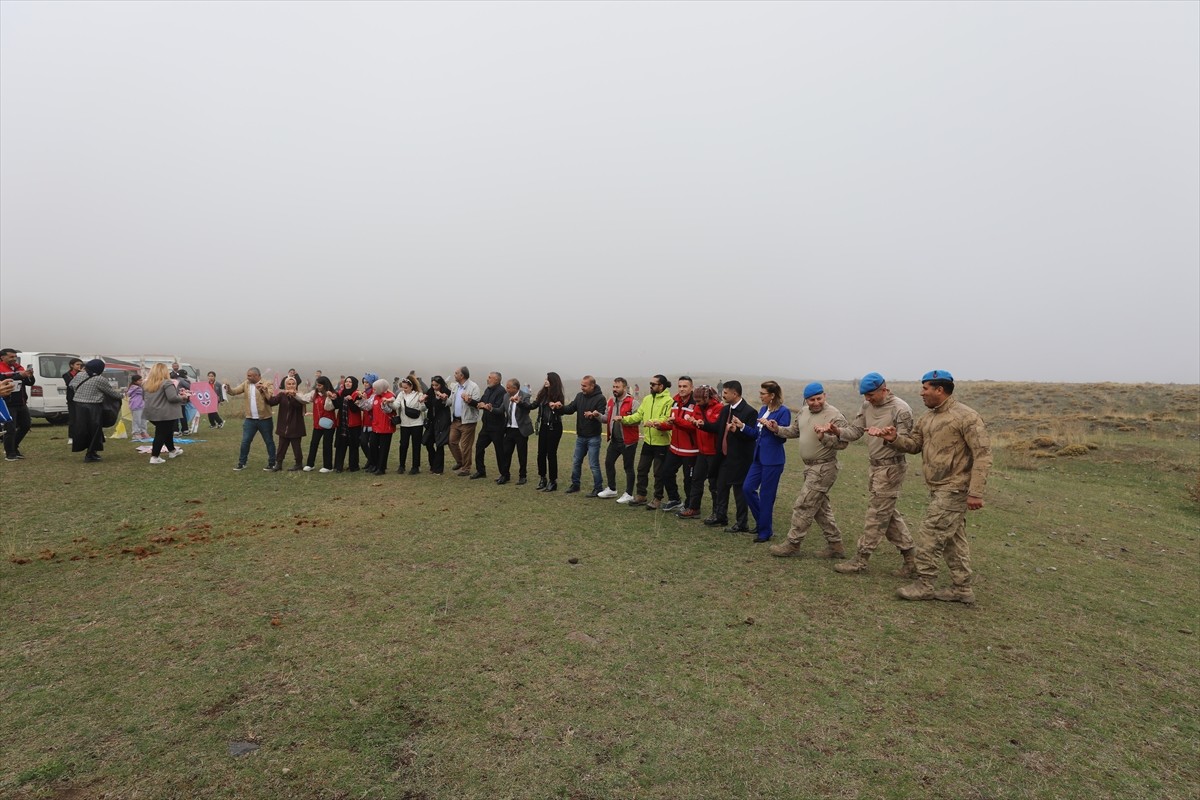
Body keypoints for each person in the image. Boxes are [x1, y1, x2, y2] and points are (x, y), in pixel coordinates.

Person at [869, 369, 992, 605]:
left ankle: (925, 584)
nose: (921, 393)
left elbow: (983, 456)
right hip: (937, 487)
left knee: (930, 533)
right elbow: (914, 445)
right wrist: (893, 438)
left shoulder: (967, 417)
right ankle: (962, 588)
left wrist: (976, 492)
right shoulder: (928, 418)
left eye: (925, 388)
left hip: (955, 487)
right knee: (953, 539)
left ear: (940, 389)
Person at [827, 373, 918, 577]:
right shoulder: (867, 406)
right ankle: (912, 560)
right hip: (875, 468)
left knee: (876, 515)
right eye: (865, 395)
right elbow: (856, 431)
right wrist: (838, 432)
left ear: (884, 390)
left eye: (871, 395)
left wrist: (892, 438)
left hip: (891, 469)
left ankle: (861, 559)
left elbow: (909, 444)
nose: (867, 399)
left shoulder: (901, 409)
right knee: (887, 514)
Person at [768, 382, 850, 559]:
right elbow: (795, 431)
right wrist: (777, 429)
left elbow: (843, 443)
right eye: (811, 399)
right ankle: (836, 546)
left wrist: (824, 438)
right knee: (819, 508)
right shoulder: (803, 411)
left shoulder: (834, 415)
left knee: (804, 504)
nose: (815, 402)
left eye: (819, 398)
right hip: (809, 466)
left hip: (824, 467)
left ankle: (792, 544)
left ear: (824, 396)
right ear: (806, 400)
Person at [703, 380, 760, 532]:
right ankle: (721, 516)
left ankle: (742, 523)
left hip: (740, 459)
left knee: (739, 491)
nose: (723, 395)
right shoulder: (725, 410)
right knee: (721, 487)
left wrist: (738, 430)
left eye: (726, 392)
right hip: (724, 457)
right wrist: (702, 424)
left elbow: (752, 436)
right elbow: (718, 428)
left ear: (735, 394)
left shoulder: (749, 412)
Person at [742, 381, 791, 543]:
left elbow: (783, 435)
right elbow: (756, 433)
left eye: (763, 393)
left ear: (772, 396)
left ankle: (764, 531)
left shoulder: (783, 412)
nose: (760, 396)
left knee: (766, 495)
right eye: (760, 393)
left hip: (773, 459)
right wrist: (741, 426)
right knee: (747, 488)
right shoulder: (763, 410)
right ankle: (763, 523)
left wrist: (772, 427)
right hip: (758, 457)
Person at [620, 374, 673, 506]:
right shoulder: (648, 399)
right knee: (642, 469)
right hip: (648, 441)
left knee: (658, 473)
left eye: (653, 384)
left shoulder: (669, 401)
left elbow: (666, 418)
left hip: (661, 442)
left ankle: (657, 498)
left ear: (661, 386)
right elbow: (638, 415)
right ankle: (641, 495)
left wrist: (653, 422)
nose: (651, 386)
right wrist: (623, 419)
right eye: (650, 384)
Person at [552, 375, 606, 495]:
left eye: (584, 386)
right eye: (581, 385)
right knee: (576, 461)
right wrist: (559, 408)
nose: (582, 388)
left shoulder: (600, 398)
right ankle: (575, 484)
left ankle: (598, 487)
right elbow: (570, 408)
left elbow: (602, 416)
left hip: (593, 437)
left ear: (592, 386)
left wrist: (593, 415)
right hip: (581, 436)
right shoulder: (579, 396)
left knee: (593, 464)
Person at [675, 384, 723, 520]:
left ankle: (717, 512)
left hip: (713, 452)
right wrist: (691, 422)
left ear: (707, 398)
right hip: (701, 451)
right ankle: (694, 508)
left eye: (699, 401)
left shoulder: (718, 408)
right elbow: (694, 423)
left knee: (714, 483)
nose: (696, 403)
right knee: (696, 479)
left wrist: (700, 423)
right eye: (695, 401)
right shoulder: (697, 407)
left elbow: (716, 427)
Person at [655, 376, 698, 512]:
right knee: (666, 473)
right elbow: (672, 423)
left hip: (690, 450)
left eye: (685, 386)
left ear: (691, 387)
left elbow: (694, 426)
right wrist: (661, 425)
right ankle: (675, 499)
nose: (682, 389)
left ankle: (690, 505)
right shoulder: (674, 401)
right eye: (680, 386)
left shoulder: (696, 404)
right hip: (674, 447)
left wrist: (676, 421)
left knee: (688, 480)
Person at [68, 359, 125, 463]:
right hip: (92, 407)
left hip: (78, 406)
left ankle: (90, 452)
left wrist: (81, 393)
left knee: (83, 430)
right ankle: (90, 454)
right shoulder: (100, 379)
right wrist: (121, 396)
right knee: (94, 430)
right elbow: (111, 393)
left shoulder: (80, 375)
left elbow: (71, 385)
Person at [225, 367, 278, 471]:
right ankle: (242, 463)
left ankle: (272, 463)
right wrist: (228, 389)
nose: (247, 377)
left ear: (257, 376)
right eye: (247, 375)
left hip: (265, 419)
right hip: (250, 419)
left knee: (269, 441)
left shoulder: (267, 383)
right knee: (245, 441)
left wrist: (263, 389)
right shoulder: (246, 384)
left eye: (250, 375)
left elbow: (271, 397)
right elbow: (235, 392)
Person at [598, 377, 639, 500]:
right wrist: (597, 416)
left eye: (617, 387)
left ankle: (629, 494)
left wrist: (623, 419)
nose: (615, 389)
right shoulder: (611, 401)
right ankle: (611, 489)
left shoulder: (633, 402)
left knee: (628, 467)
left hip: (628, 442)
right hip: (615, 441)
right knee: (608, 463)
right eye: (614, 387)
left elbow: (638, 420)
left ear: (625, 388)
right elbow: (606, 419)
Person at [143, 363, 190, 464]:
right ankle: (155, 456)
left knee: (167, 431)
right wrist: (183, 397)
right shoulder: (167, 383)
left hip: (151, 412)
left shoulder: (146, 383)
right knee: (161, 434)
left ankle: (172, 451)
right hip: (165, 413)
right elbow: (172, 398)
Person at [526, 372, 565, 491]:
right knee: (540, 454)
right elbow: (533, 405)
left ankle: (553, 481)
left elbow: (562, 411)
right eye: (545, 379)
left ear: (553, 381)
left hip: (555, 426)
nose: (545, 381)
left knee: (551, 454)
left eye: (548, 379)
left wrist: (558, 406)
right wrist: (520, 403)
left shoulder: (558, 395)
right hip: (543, 426)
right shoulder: (542, 394)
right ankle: (542, 478)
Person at [468, 371, 506, 479]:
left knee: (500, 451)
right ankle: (481, 471)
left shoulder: (501, 392)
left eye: (490, 377)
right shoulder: (488, 390)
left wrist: (487, 407)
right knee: (479, 447)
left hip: (497, 427)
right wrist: (470, 401)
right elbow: (481, 402)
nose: (487, 379)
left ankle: (504, 474)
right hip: (486, 426)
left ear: (497, 380)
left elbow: (498, 408)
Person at [266, 376, 309, 471]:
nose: (291, 386)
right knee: (281, 446)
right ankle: (279, 464)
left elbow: (297, 405)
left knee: (296, 446)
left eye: (293, 384)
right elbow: (272, 402)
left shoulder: (300, 395)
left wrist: (293, 396)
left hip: (296, 426)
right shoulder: (282, 395)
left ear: (296, 385)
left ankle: (298, 464)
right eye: (289, 384)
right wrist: (264, 391)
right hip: (283, 426)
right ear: (285, 385)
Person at [497, 378, 534, 484]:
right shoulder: (506, 396)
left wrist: (519, 402)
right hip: (509, 429)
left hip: (521, 430)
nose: (506, 389)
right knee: (506, 453)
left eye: (508, 387)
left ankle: (523, 476)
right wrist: (489, 408)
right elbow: (501, 410)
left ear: (515, 388)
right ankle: (505, 475)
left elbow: (527, 409)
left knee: (522, 454)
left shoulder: (525, 395)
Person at [1, 348, 34, 461]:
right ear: (2, 357)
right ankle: (10, 453)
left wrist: (30, 375)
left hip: (21, 402)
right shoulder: (1, 368)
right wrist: (20, 376)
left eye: (15, 356)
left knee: (26, 425)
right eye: (11, 356)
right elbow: (4, 381)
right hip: (7, 403)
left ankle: (14, 447)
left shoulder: (19, 368)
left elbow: (29, 383)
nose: (14, 359)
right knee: (10, 428)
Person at [448, 366, 482, 476]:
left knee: (465, 446)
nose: (454, 374)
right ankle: (460, 462)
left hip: (468, 421)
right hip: (455, 420)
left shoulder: (473, 387)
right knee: (452, 441)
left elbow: (477, 403)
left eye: (456, 373)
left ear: (462, 375)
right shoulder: (455, 387)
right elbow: (451, 401)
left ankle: (466, 468)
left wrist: (468, 400)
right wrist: (444, 399)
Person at [304, 375, 338, 473]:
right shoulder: (314, 394)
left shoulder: (332, 394)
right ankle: (310, 464)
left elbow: (329, 407)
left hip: (328, 424)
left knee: (327, 444)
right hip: (317, 424)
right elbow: (304, 398)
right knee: (313, 443)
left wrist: (329, 397)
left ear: (325, 385)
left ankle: (328, 466)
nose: (317, 387)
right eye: (317, 385)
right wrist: (295, 394)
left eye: (320, 385)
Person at [393, 377, 424, 475]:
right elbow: (396, 405)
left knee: (416, 445)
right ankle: (401, 465)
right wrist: (389, 403)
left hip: (417, 424)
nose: (404, 390)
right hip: (405, 424)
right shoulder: (401, 395)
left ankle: (415, 467)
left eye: (406, 388)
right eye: (402, 387)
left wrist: (422, 402)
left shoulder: (419, 394)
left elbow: (422, 409)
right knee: (403, 445)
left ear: (411, 386)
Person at [421, 375, 452, 474]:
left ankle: (438, 469)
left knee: (440, 444)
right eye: (433, 385)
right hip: (431, 420)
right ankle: (433, 464)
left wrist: (442, 398)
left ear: (441, 384)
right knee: (428, 442)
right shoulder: (430, 392)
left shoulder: (446, 392)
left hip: (442, 420)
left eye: (436, 385)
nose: (434, 387)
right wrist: (425, 400)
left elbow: (446, 404)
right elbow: (429, 406)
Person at [333, 376, 364, 472]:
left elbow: (355, 409)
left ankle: (353, 466)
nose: (348, 383)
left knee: (353, 446)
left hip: (353, 425)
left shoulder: (357, 394)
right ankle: (338, 467)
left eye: (350, 382)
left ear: (354, 383)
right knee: (340, 446)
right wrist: (334, 399)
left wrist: (350, 400)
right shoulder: (340, 393)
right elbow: (337, 406)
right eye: (346, 381)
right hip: (342, 423)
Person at [365, 378, 396, 474]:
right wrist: (361, 400)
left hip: (386, 427)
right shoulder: (375, 397)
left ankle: (381, 468)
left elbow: (390, 411)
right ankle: (374, 465)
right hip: (376, 426)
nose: (373, 390)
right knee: (373, 445)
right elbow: (368, 407)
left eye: (375, 389)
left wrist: (385, 403)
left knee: (383, 449)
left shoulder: (390, 396)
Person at [63, 357, 83, 444]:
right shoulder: (66, 375)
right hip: (72, 399)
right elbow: (70, 384)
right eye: (77, 364)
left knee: (82, 418)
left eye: (80, 365)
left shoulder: (82, 373)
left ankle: (81, 435)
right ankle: (71, 436)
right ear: (72, 365)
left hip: (82, 398)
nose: (79, 366)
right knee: (73, 418)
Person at [126, 374, 149, 440]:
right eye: (139, 380)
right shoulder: (135, 388)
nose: (141, 381)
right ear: (135, 381)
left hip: (142, 405)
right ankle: (136, 433)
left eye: (141, 380)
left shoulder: (140, 387)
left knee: (143, 420)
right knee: (137, 420)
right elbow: (145, 391)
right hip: (136, 405)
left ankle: (143, 432)